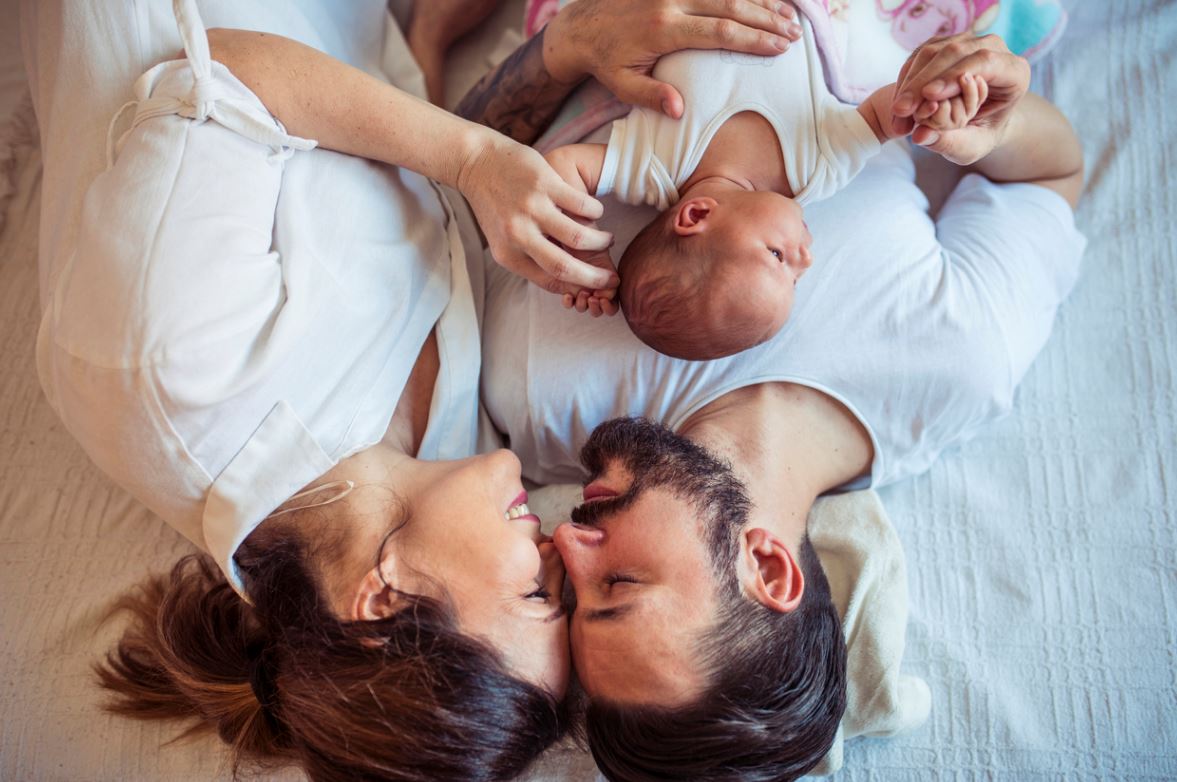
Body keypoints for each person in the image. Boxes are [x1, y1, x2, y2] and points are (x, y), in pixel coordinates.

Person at [20, 0, 804, 779]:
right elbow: (391, 200)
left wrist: (468, 158)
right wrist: (435, 48)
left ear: (382, 599)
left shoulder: (173, 375)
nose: (558, 549)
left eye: (535, 596)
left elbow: (223, 75)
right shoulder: (445, 459)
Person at [462, 32, 1084, 781]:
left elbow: (465, 158)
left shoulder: (539, 402)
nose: (565, 545)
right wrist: (992, 129)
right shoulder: (958, 362)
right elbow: (1052, 174)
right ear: (766, 566)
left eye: (573, 599)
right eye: (619, 585)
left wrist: (569, 44)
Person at [543, 22, 986, 360]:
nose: (805, 258)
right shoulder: (816, 171)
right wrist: (931, 106)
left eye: (777, 258)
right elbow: (882, 117)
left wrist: (584, 249)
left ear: (695, 216)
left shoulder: (653, 166)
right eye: (796, 278)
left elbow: (563, 168)